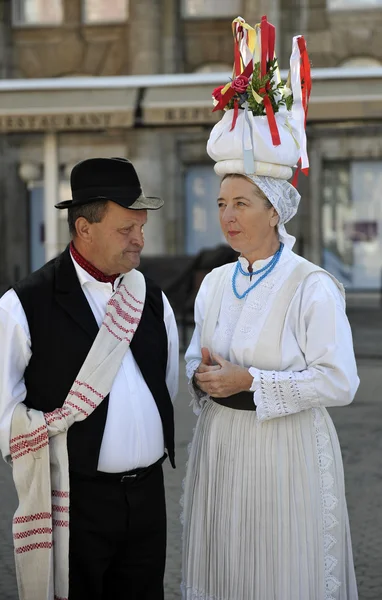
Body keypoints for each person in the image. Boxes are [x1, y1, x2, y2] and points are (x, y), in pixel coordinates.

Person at [181, 16, 359, 600]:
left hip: (283, 456)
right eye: (222, 202)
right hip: (222, 451)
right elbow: (191, 357)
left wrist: (250, 381)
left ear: (275, 209)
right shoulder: (211, 282)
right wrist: (202, 374)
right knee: (226, 568)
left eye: (242, 203)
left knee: (278, 575)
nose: (227, 215)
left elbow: (339, 380)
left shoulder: (312, 286)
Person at [0, 157, 179, 600]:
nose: (140, 239)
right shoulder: (24, 305)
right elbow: (4, 417)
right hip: (74, 501)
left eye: (141, 226)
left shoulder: (152, 298)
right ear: (84, 228)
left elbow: (166, 384)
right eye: (127, 229)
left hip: (148, 498)